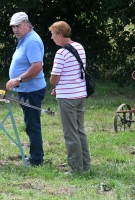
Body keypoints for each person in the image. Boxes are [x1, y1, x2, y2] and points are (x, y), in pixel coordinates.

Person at [49, 21, 91, 174]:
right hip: (80, 94)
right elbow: (74, 74)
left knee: (70, 132)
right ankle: (85, 166)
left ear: (60, 34)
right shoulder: (79, 47)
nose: (52, 38)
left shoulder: (61, 53)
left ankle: (75, 169)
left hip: (67, 98)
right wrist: (59, 88)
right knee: (80, 130)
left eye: (53, 35)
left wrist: (56, 86)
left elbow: (54, 79)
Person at [6, 12, 47, 166]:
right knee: (30, 124)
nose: (15, 29)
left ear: (27, 24)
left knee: (32, 125)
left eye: (18, 26)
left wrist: (18, 79)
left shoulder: (32, 41)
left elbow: (37, 67)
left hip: (32, 90)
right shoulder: (24, 39)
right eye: (13, 27)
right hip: (27, 89)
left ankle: (36, 160)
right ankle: (35, 156)